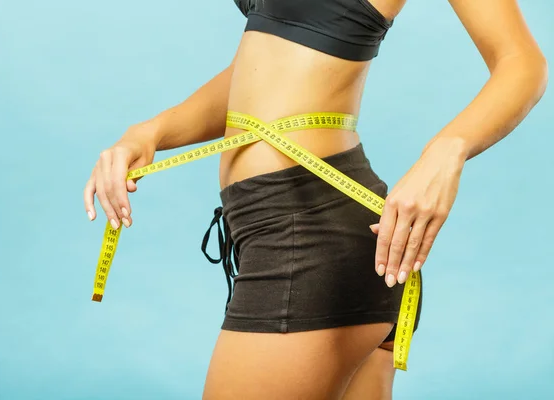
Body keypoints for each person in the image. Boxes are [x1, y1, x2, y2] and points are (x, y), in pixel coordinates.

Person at [83, 0, 548, 398]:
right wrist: (150, 132)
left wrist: (447, 151)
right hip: (292, 229)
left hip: (308, 233)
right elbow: (264, 69)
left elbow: (522, 62)